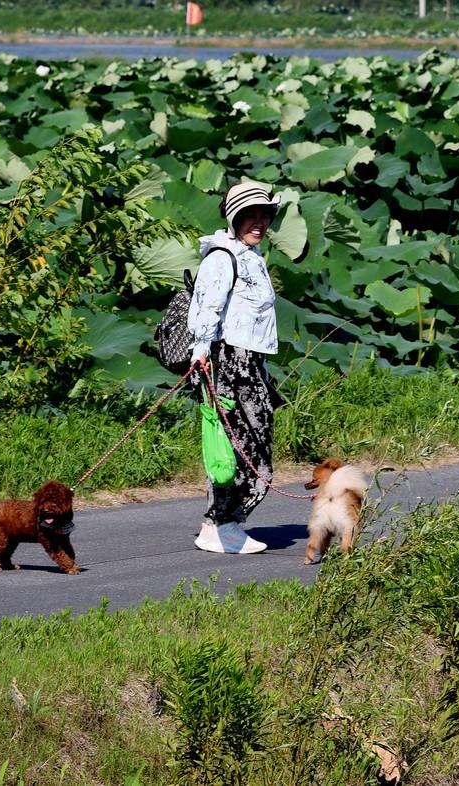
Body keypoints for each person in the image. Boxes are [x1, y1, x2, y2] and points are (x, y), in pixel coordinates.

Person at [187, 180, 284, 554]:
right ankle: (220, 526)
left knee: (251, 446)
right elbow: (206, 309)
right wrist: (201, 354)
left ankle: (220, 524)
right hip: (228, 364)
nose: (259, 223)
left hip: (250, 363)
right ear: (233, 218)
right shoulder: (221, 257)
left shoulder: (250, 255)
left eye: (265, 215)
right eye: (249, 216)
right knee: (239, 449)